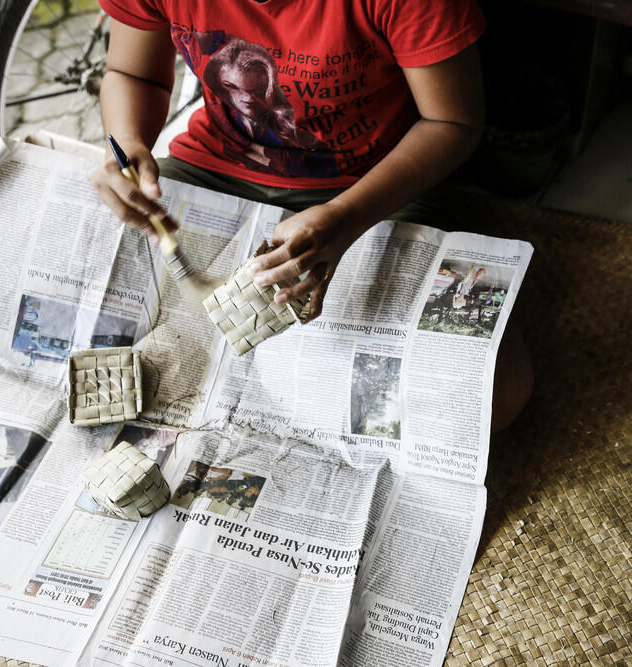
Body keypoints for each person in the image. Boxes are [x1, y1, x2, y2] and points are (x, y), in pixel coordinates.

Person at [91, 0, 532, 431]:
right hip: (213, 171)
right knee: (102, 293)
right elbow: (132, 73)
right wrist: (127, 141)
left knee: (491, 395)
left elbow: (452, 123)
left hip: (375, 188)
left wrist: (344, 218)